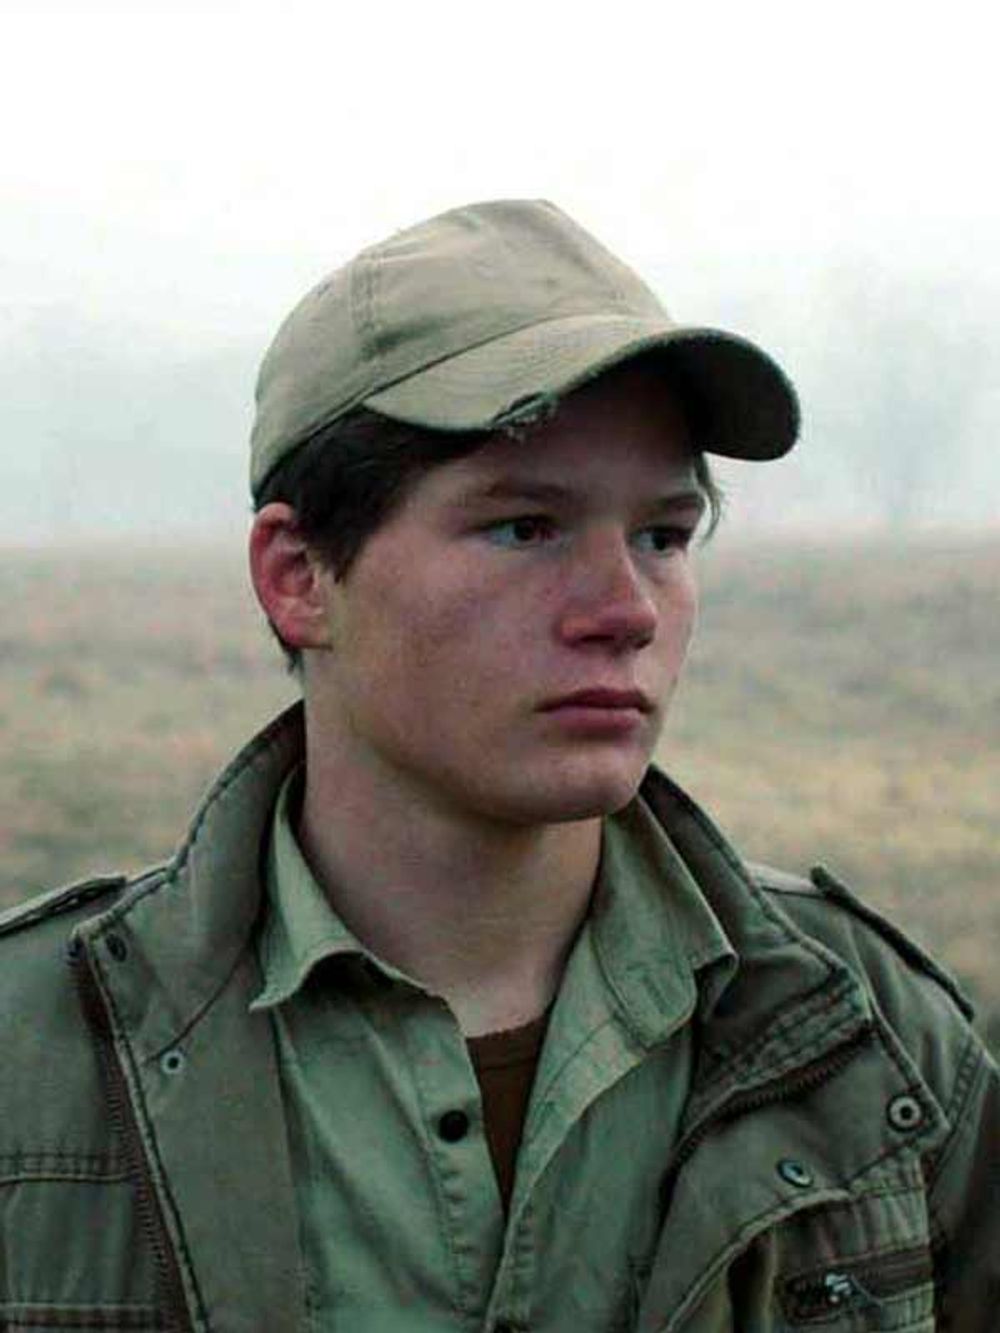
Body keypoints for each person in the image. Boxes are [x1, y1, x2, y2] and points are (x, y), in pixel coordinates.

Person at [1, 199, 996, 1331]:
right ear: (298, 575)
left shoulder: (868, 1036)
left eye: (663, 536)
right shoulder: (33, 1059)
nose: (625, 610)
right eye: (525, 527)